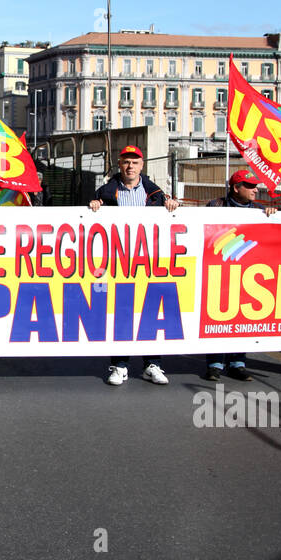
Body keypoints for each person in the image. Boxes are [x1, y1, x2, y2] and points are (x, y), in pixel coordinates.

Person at [88, 144, 181, 386]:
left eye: (135, 162)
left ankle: (153, 364)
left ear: (142, 165)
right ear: (119, 164)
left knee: (150, 311)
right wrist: (95, 207)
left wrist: (172, 206)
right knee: (121, 313)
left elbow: (171, 218)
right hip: (118, 262)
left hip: (148, 262)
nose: (130, 166)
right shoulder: (106, 192)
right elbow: (92, 220)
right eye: (126, 162)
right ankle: (120, 365)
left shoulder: (157, 194)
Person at [203, 168, 278, 382]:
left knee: (240, 318)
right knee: (217, 318)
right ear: (236, 188)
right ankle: (215, 364)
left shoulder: (259, 211)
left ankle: (238, 363)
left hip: (246, 274)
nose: (255, 189)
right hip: (220, 271)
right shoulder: (215, 206)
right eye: (250, 186)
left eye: (255, 185)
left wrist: (271, 217)